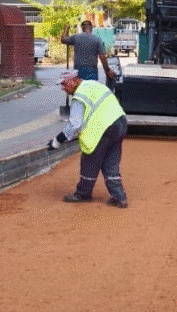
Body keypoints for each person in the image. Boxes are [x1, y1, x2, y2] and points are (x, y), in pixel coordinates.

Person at [48, 70, 128, 208]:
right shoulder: (93, 85)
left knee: (90, 161)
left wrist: (57, 141)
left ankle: (83, 194)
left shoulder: (79, 97)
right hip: (120, 124)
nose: (63, 88)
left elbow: (75, 125)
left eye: (64, 84)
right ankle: (119, 197)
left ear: (74, 80)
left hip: (103, 130)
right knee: (111, 163)